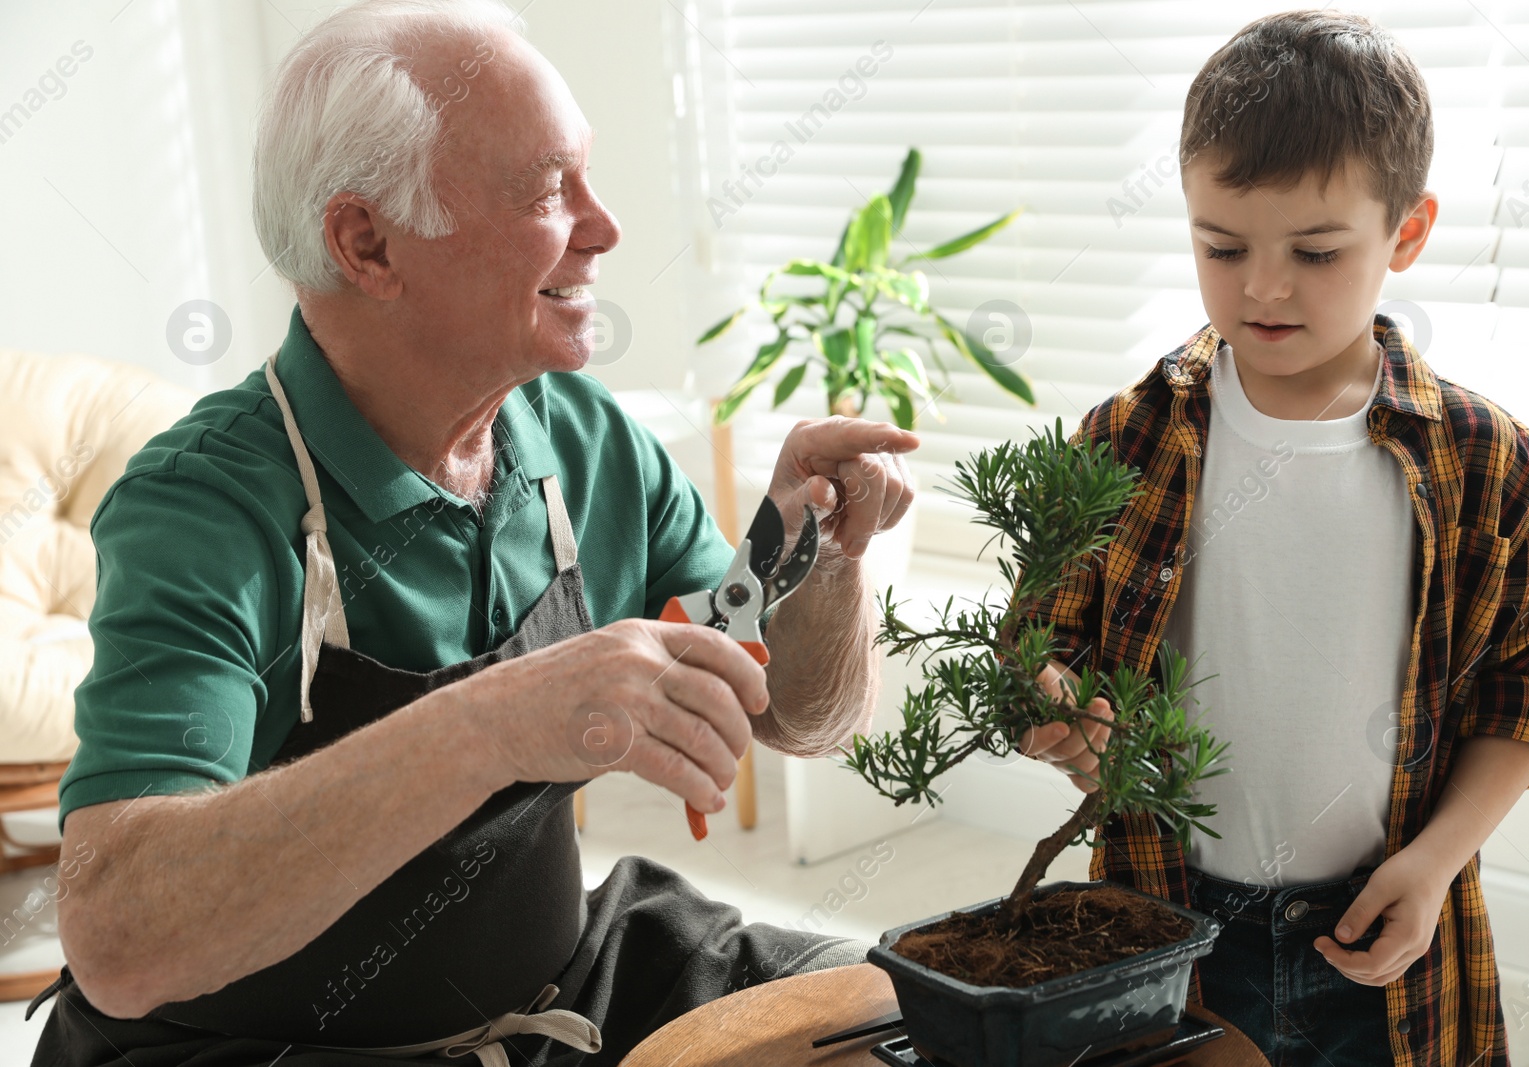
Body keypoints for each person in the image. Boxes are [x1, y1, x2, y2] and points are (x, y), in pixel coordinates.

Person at [26, 2, 916, 1065]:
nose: (604, 225)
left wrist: (826, 555)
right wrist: (495, 722)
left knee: (891, 1017)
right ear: (367, 242)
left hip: (557, 984)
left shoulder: (582, 436)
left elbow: (798, 716)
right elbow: (119, 934)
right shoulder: (206, 505)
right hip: (253, 1045)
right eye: (547, 189)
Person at [1013, 10, 1529, 1067]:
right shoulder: (1126, 439)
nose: (1262, 287)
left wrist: (1432, 865)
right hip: (1162, 919)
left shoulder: (1498, 468)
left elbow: (1528, 694)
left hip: (1390, 930)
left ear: (1405, 233)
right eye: (1220, 246)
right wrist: (1059, 716)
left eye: (1315, 251)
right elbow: (1040, 646)